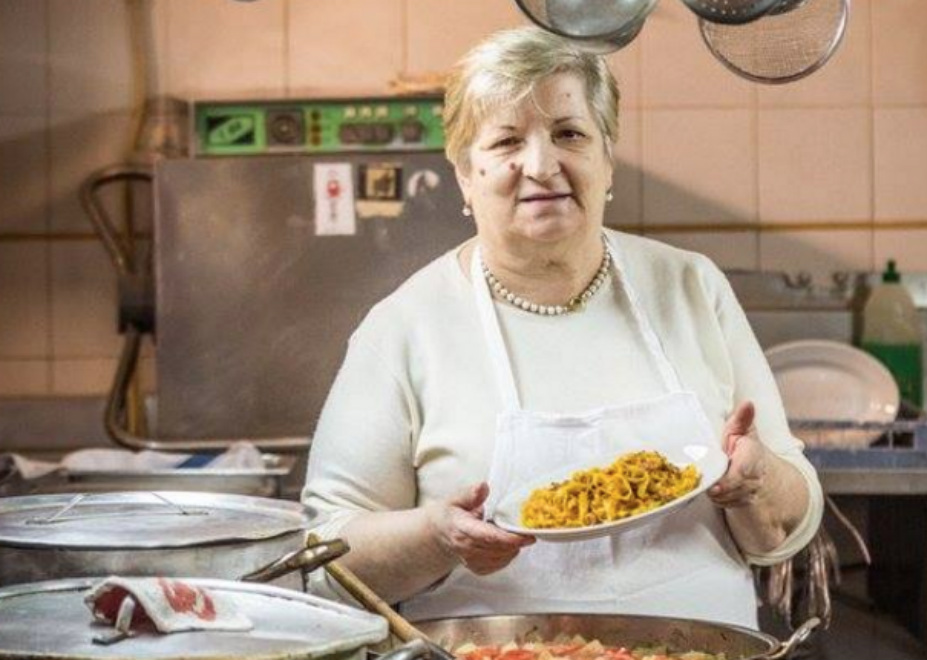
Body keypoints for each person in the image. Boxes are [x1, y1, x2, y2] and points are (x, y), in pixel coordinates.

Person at [302, 26, 823, 628]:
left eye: (569, 134)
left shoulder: (691, 287)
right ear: (466, 176)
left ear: (607, 160)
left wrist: (758, 481)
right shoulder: (404, 328)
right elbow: (324, 558)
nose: (542, 165)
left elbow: (790, 521)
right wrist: (436, 537)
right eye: (506, 141)